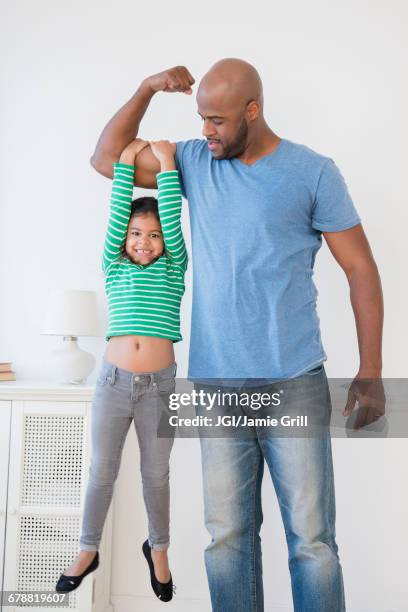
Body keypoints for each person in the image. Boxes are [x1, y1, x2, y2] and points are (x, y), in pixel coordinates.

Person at [89, 59, 385, 612]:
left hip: (293, 380)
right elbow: (107, 159)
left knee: (313, 543)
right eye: (202, 118)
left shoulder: (313, 172)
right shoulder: (197, 163)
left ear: (254, 110)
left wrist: (370, 372)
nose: (206, 131)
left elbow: (361, 269)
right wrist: (148, 88)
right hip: (216, 383)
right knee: (227, 540)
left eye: (218, 120)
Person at [56, 138, 188, 604]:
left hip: (160, 388)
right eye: (136, 233)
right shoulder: (114, 266)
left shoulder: (174, 267)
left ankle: (159, 549)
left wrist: (168, 164)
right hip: (112, 384)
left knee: (156, 476)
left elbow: (171, 220)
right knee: (101, 472)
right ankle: (87, 549)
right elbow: (117, 219)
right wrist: (126, 163)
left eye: (152, 235)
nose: (144, 241)